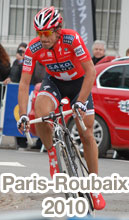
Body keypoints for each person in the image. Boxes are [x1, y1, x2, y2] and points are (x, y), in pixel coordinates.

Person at [17, 6, 106, 210]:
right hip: (55, 83)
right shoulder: (33, 48)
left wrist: (81, 101)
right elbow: (24, 83)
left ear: (58, 30)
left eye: (47, 33)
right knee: (39, 113)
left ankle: (94, 186)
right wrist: (22, 114)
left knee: (87, 133)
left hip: (78, 84)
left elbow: (90, 71)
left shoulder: (72, 39)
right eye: (39, 33)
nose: (43, 38)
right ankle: (52, 154)